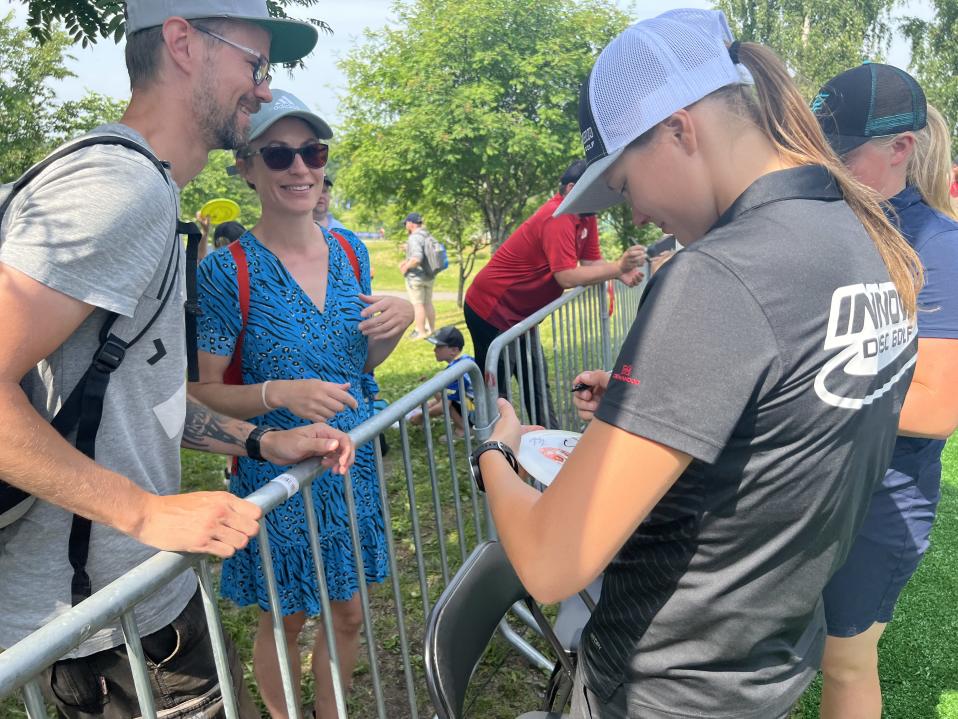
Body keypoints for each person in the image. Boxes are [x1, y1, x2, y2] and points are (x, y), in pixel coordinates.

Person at [469, 9, 924, 719]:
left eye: (623, 185)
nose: (638, 215)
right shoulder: (859, 230)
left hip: (668, 684)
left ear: (680, 129)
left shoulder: (717, 276)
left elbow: (551, 558)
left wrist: (497, 449)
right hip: (767, 664)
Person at [0, 3, 351, 718]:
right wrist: (143, 511)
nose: (263, 87)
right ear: (184, 43)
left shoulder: (150, 191)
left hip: (139, 597)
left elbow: (139, 395)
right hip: (101, 626)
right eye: (255, 63)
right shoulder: (119, 188)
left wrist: (258, 439)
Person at [189, 88, 414, 719]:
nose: (300, 169)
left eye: (311, 152)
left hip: (352, 463)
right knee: (285, 617)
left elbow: (357, 366)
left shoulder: (350, 252)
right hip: (277, 470)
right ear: (247, 167)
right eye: (280, 154)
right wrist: (275, 394)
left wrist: (392, 334)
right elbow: (200, 392)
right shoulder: (226, 269)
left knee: (348, 615)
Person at [811, 64, 958, 719]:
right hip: (813, 484)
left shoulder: (940, 247)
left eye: (840, 154)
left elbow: (937, 403)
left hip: (880, 500)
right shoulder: (830, 225)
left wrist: (799, 396)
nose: (824, 167)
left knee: (845, 662)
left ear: (901, 148)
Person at [464, 159, 645, 428]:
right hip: (491, 309)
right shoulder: (558, 215)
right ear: (572, 188)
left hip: (522, 317)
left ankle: (547, 437)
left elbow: (592, 262)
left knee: (535, 378)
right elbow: (567, 275)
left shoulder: (585, 215)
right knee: (497, 386)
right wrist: (617, 266)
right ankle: (491, 441)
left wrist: (618, 272)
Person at [407, 326, 475, 434]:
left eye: (439, 346)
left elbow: (443, 407)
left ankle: (463, 429)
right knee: (442, 388)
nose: (434, 349)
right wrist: (426, 406)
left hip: (478, 416)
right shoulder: (464, 360)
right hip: (482, 408)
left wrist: (421, 417)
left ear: (454, 350)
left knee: (439, 385)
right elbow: (455, 396)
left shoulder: (455, 372)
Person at [399, 211, 437, 339]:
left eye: (406, 223)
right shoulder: (427, 235)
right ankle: (432, 330)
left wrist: (405, 267)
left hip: (416, 277)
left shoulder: (414, 237)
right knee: (428, 303)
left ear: (411, 223)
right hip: (429, 275)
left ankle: (421, 332)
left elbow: (416, 259)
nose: (405, 226)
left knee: (418, 304)